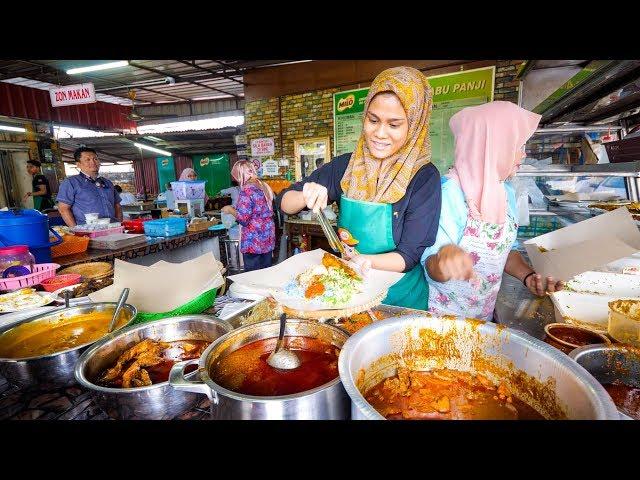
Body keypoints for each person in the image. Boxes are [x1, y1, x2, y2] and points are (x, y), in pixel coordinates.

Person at [278, 66, 442, 310]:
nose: (379, 133)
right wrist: (306, 194)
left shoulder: (423, 178)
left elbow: (408, 256)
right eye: (373, 120)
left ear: (415, 126)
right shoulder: (347, 166)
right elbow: (284, 203)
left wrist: (361, 261)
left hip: (400, 300)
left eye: (394, 125)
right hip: (351, 294)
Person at [421, 101, 563, 322]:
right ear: (493, 146)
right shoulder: (449, 193)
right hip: (440, 319)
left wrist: (528, 277)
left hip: (482, 317)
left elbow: (506, 252)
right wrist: (443, 260)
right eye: (518, 146)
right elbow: (431, 265)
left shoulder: (504, 191)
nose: (523, 155)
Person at [221, 160, 276, 271]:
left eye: (237, 177)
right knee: (266, 272)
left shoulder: (247, 190)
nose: (237, 180)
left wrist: (230, 209)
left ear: (241, 174)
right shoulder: (264, 186)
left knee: (252, 278)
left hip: (253, 240)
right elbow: (259, 209)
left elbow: (244, 219)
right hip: (268, 236)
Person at [56, 147, 122, 227]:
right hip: (88, 230)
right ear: (78, 164)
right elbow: (63, 209)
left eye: (95, 159)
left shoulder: (107, 182)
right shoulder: (71, 182)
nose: (93, 162)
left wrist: (119, 225)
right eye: (88, 160)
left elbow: (117, 206)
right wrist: (76, 230)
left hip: (112, 228)